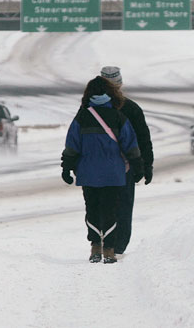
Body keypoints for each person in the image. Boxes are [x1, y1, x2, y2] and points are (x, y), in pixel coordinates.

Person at [61, 76, 144, 264]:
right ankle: (109, 250)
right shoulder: (118, 116)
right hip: (113, 174)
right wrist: (138, 167)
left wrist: (67, 168)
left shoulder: (82, 117)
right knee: (111, 210)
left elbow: (72, 145)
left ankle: (95, 248)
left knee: (92, 209)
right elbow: (131, 145)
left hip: (88, 173)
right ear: (110, 94)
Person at [100, 66, 154, 256]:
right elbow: (143, 139)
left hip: (96, 168)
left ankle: (100, 244)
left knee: (98, 205)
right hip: (125, 168)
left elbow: (77, 139)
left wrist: (72, 164)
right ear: (120, 84)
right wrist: (146, 166)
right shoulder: (131, 108)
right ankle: (118, 246)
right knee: (123, 206)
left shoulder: (88, 109)